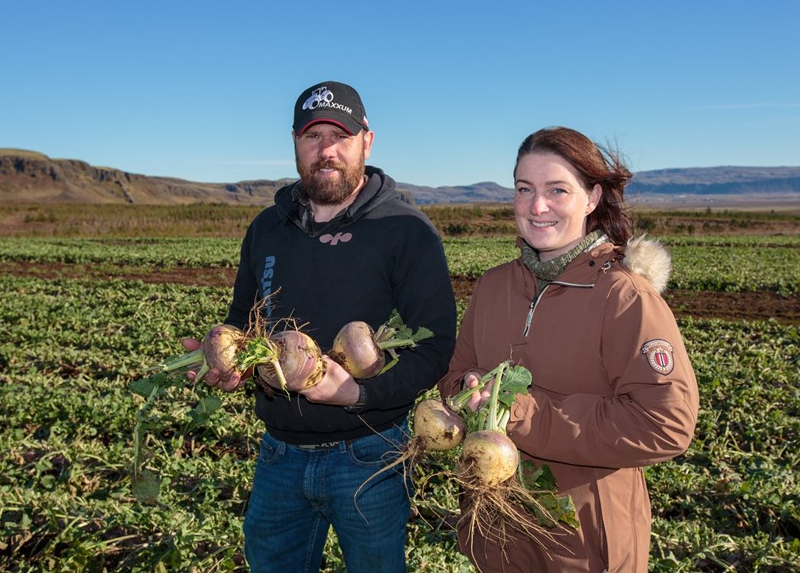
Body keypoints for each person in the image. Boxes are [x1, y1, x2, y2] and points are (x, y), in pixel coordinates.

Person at [184, 80, 457, 573]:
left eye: (340, 136)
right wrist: (231, 363)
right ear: (294, 142)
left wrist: (358, 394)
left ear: (366, 141)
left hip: (371, 456)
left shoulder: (406, 230)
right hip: (278, 453)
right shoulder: (266, 228)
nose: (326, 150)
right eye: (312, 136)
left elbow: (436, 346)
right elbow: (241, 319)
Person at [437, 126, 699, 572]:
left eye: (557, 190)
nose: (537, 207)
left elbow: (666, 423)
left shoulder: (623, 296)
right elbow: (454, 376)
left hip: (581, 545)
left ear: (592, 197)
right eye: (525, 189)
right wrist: (466, 391)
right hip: (496, 530)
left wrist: (524, 414)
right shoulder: (493, 285)